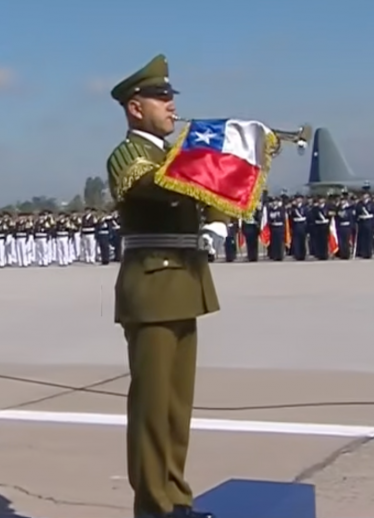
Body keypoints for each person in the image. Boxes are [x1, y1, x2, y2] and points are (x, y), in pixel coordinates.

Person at [105, 54, 224, 518]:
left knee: (176, 409)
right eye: (162, 98)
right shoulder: (130, 154)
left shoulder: (169, 155)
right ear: (136, 108)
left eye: (172, 97)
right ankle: (155, 506)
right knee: (153, 409)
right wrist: (209, 157)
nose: (172, 106)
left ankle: (176, 497)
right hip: (151, 286)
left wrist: (219, 211)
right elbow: (155, 185)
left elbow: (209, 194)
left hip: (184, 284)